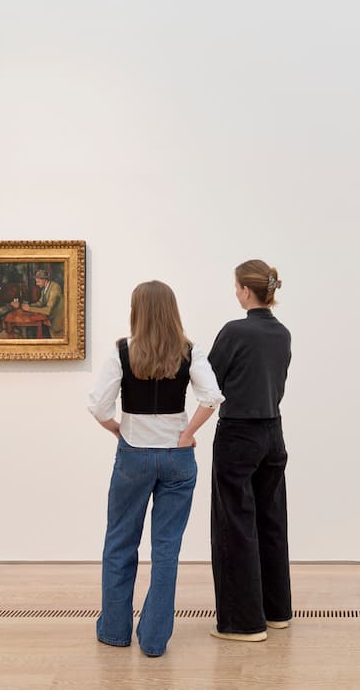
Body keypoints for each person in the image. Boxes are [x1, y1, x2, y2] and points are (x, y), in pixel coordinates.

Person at [87, 280, 224, 657]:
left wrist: (116, 428)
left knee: (120, 541)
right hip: (177, 459)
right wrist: (187, 434)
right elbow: (212, 396)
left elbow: (97, 405)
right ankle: (153, 639)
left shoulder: (123, 350)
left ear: (137, 311)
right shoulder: (189, 350)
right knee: (166, 548)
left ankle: (115, 630)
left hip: (133, 455)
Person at [207, 260, 292, 642]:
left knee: (235, 525)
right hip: (273, 433)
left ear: (245, 290)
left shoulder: (235, 331)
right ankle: (277, 612)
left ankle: (244, 623)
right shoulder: (282, 333)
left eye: (236, 286)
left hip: (239, 434)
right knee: (271, 522)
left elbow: (209, 381)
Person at [23, 268, 64, 338]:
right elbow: (40, 303)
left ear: (44, 280)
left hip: (57, 323)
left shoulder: (55, 288)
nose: (36, 284)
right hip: (50, 321)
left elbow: (48, 310)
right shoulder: (44, 289)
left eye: (38, 282)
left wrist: (29, 309)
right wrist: (28, 305)